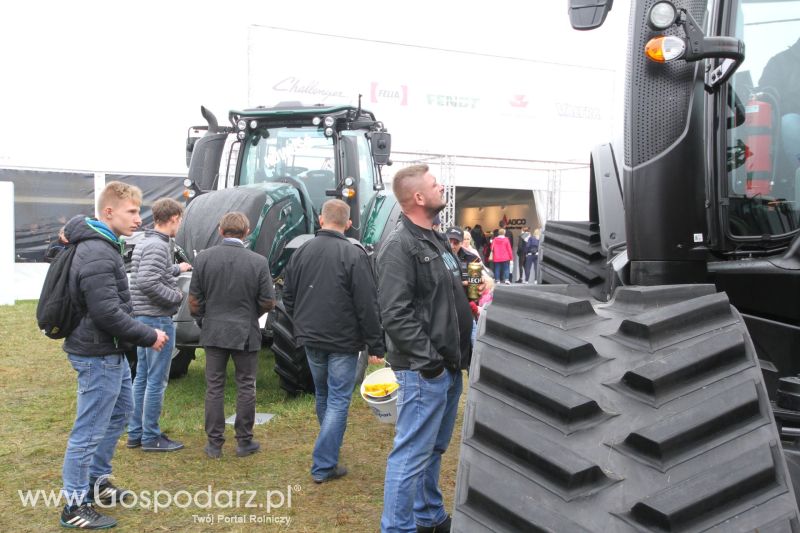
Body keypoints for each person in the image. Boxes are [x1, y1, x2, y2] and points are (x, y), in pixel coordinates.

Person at [60, 182, 169, 529]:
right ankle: (74, 505)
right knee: (88, 430)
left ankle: (97, 481)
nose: (140, 218)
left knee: (121, 411)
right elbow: (107, 311)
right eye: (132, 211)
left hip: (109, 350)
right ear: (109, 212)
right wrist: (148, 335)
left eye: (139, 211)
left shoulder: (104, 245)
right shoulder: (97, 251)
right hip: (97, 353)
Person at [376, 164, 473, 533]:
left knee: (432, 450)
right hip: (424, 371)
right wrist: (428, 363)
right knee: (411, 454)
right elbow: (395, 313)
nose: (441, 186)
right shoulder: (400, 246)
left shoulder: (433, 238)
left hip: (447, 367)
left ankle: (429, 517)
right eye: (435, 184)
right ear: (418, 197)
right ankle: (397, 528)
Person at [282, 199, 385, 483]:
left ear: (320, 219)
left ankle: (329, 452)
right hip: (343, 340)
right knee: (337, 399)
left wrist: (301, 321)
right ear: (348, 224)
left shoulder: (301, 252)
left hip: (312, 337)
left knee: (325, 395)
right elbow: (367, 303)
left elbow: (287, 296)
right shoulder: (353, 253)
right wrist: (376, 344)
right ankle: (324, 463)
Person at [189, 212, 275, 459]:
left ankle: (214, 443)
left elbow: (194, 301)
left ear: (220, 230)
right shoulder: (258, 262)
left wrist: (204, 319)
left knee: (214, 387)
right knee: (246, 386)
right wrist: (252, 314)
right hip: (245, 332)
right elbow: (268, 301)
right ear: (247, 232)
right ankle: (244, 441)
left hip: (214, 330)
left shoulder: (204, 259)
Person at [127, 198, 192, 452]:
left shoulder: (148, 242)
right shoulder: (158, 246)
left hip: (143, 318)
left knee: (142, 377)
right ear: (174, 217)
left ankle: (136, 432)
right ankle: (151, 437)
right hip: (156, 319)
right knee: (156, 380)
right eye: (181, 220)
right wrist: (176, 297)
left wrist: (177, 269)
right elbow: (147, 282)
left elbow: (153, 272)